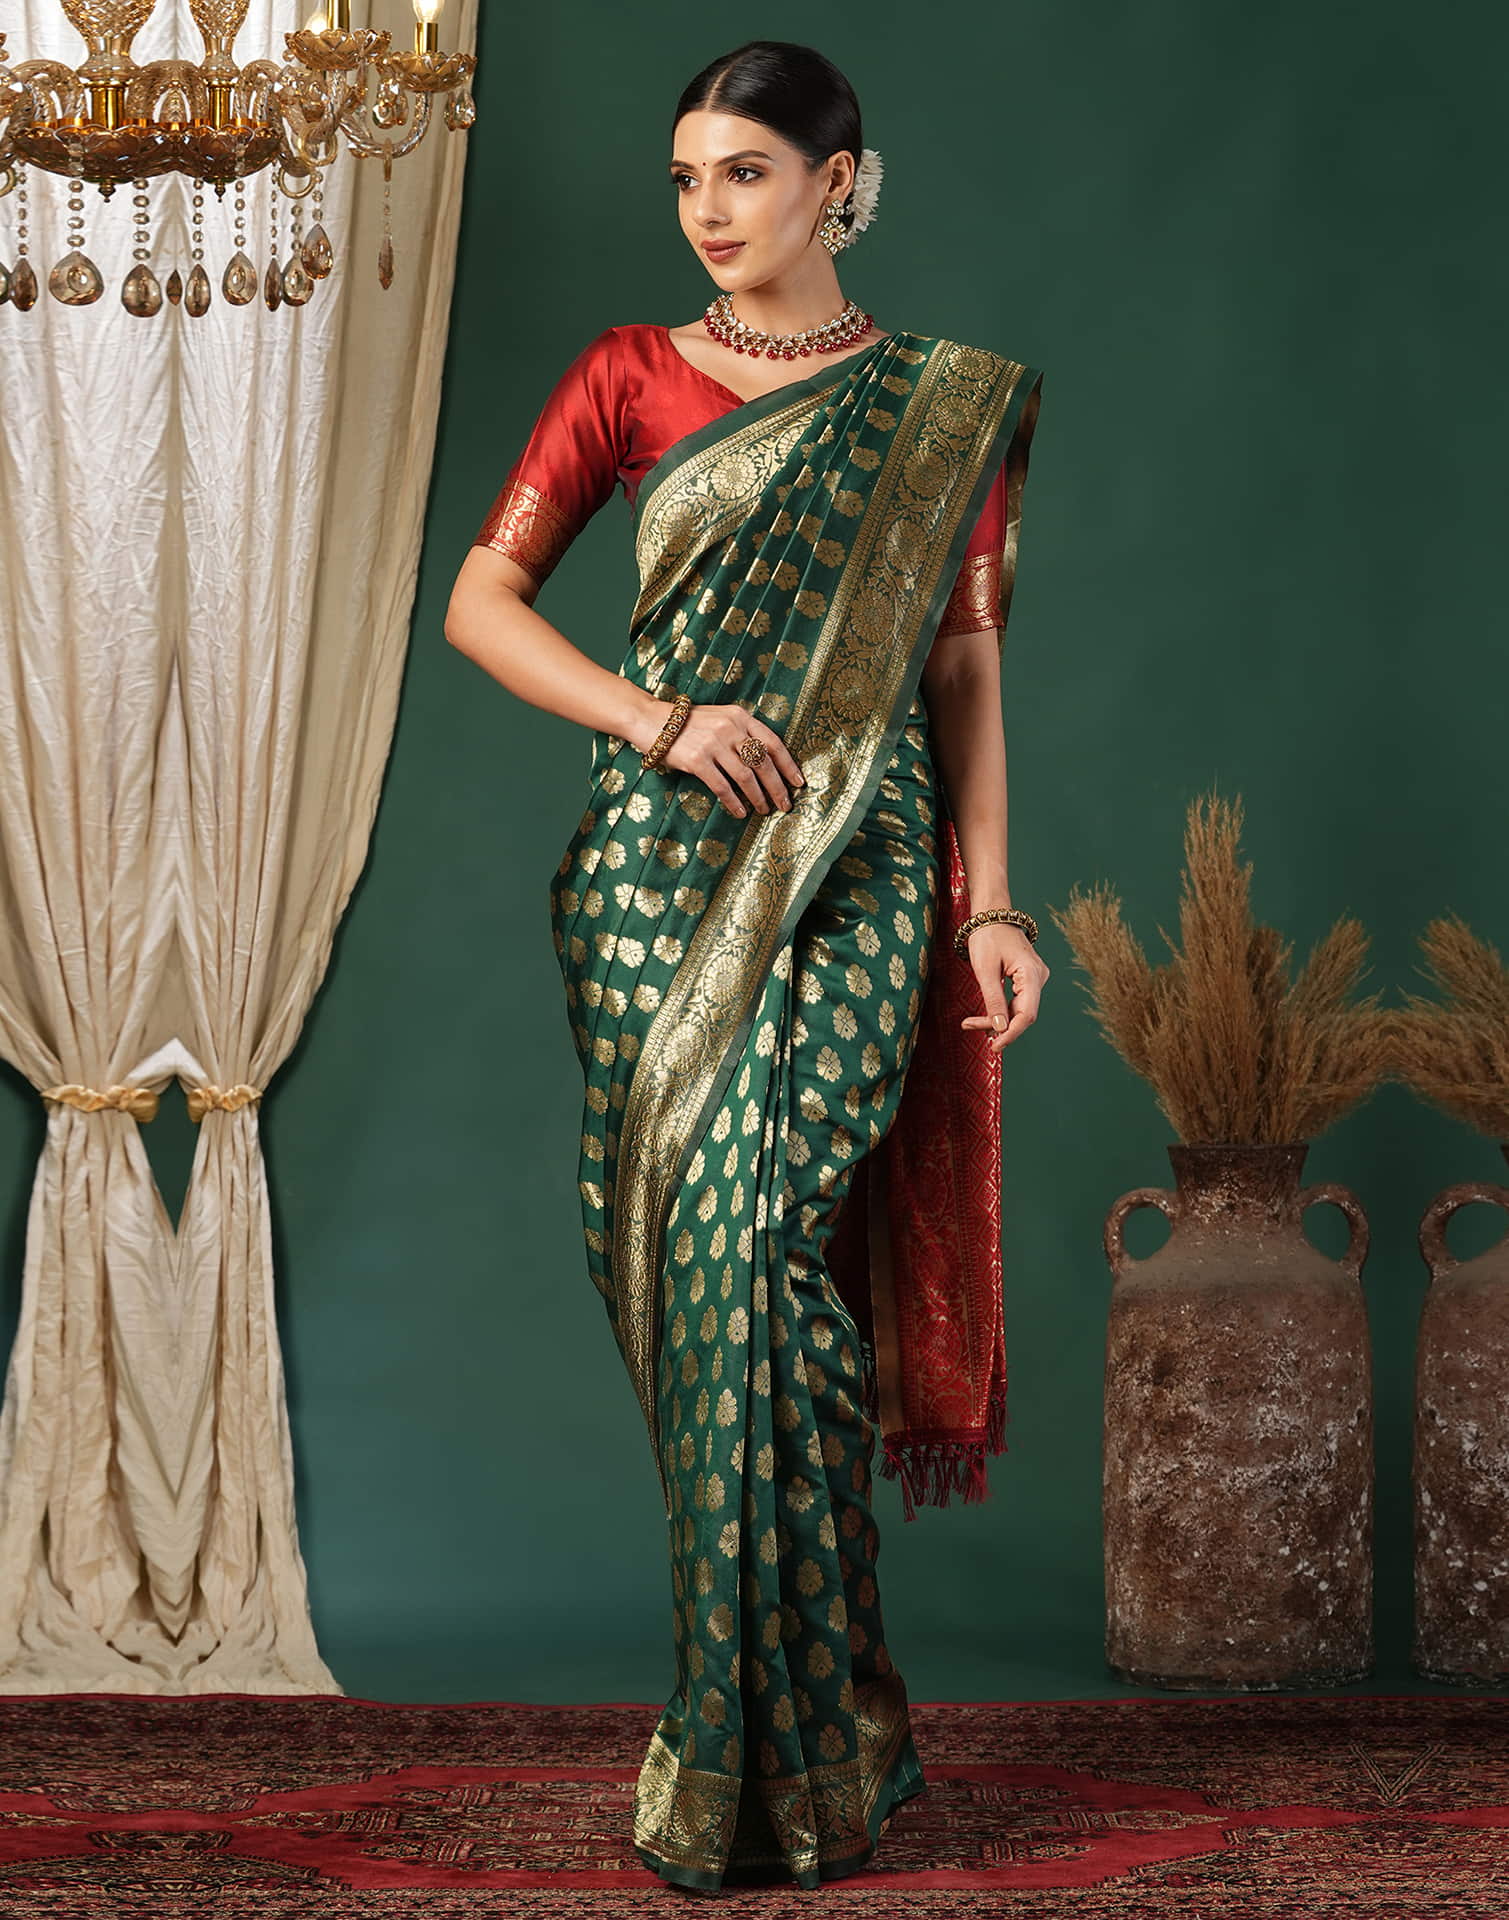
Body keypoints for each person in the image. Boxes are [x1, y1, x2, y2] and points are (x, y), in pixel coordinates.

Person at [443, 38, 1049, 1894]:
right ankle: (805, 1719)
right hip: (655, 865)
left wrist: (995, 900)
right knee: (702, 1281)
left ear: (840, 185)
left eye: (747, 177)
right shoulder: (625, 377)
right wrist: (655, 718)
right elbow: (478, 602)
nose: (710, 214)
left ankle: (773, 1739)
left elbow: (959, 667)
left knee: (774, 1243)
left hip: (862, 861)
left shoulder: (946, 403)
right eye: (688, 182)